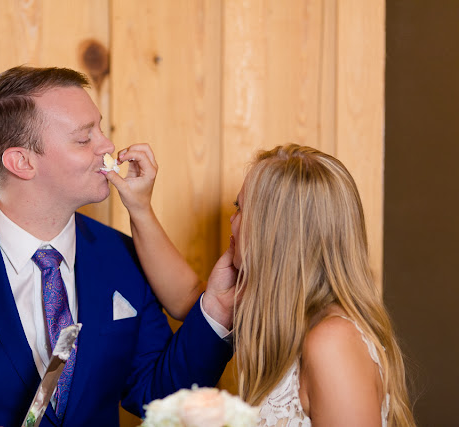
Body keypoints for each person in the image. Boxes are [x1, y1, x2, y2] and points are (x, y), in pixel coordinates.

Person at [0, 66, 234, 427]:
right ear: (21, 161)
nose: (108, 147)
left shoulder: (126, 259)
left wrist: (216, 311)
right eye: (85, 138)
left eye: (101, 129)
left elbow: (159, 394)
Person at [105, 143, 416, 426]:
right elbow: (189, 298)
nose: (232, 219)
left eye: (240, 208)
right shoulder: (291, 315)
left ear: (274, 232)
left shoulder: (332, 342)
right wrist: (140, 207)